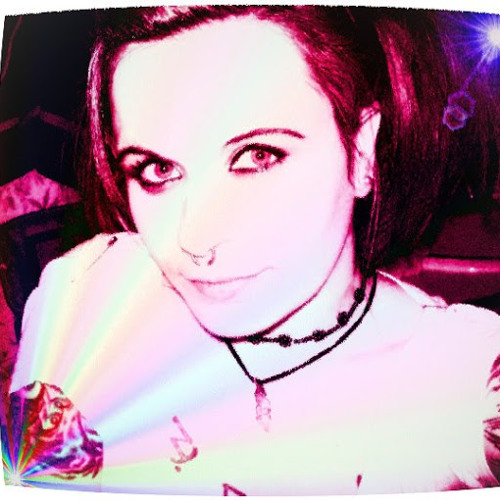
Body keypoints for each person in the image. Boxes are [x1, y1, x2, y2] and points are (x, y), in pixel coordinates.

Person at [2, 5, 500, 495]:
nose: (194, 239)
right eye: (157, 169)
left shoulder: (464, 389)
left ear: (361, 152)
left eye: (258, 156)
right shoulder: (82, 298)